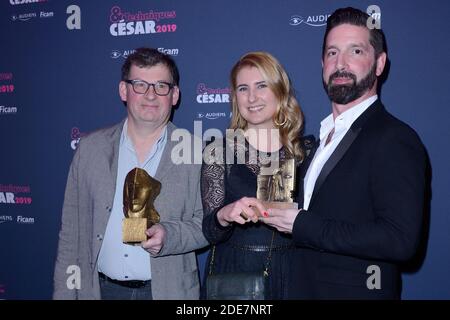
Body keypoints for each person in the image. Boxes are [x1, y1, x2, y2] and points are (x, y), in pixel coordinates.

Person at [262, 7, 427, 299]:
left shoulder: (395, 138)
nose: (341, 64)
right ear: (322, 63)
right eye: (332, 53)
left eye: (356, 52)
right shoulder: (319, 139)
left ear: (379, 63)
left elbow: (400, 240)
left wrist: (302, 223)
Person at [53, 47, 208, 300]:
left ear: (175, 95)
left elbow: (208, 225)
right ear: (124, 90)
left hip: (168, 292)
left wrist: (169, 236)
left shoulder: (197, 152)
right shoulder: (90, 149)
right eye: (139, 85)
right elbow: (71, 232)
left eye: (161, 86)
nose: (150, 95)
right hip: (99, 291)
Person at [201, 51, 314, 299]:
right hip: (236, 274)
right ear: (235, 97)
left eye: (261, 86)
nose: (252, 97)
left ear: (279, 90)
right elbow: (209, 231)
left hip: (293, 272)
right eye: (243, 88)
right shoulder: (218, 151)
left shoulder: (307, 151)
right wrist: (224, 215)